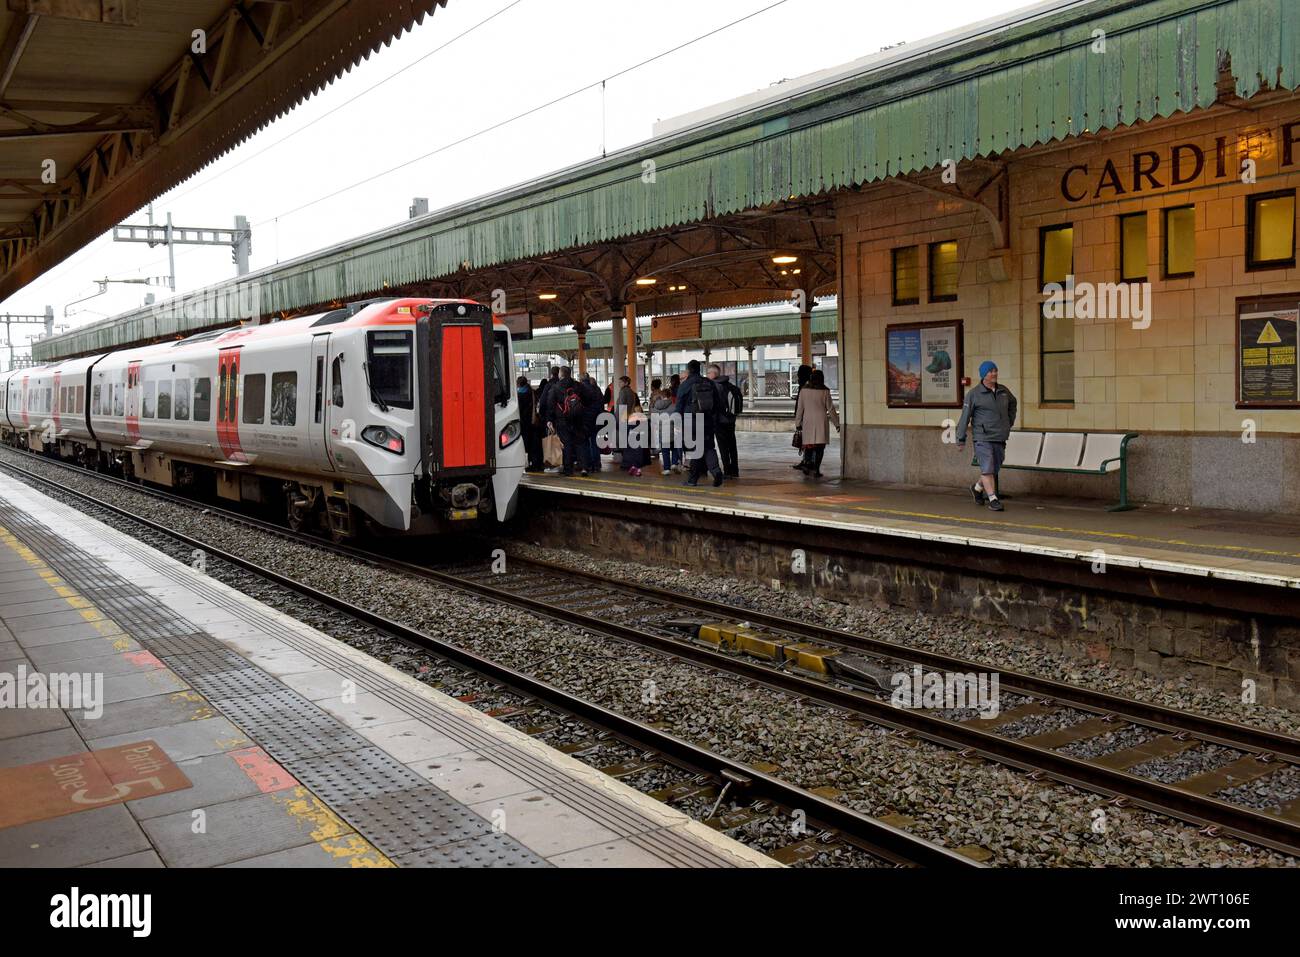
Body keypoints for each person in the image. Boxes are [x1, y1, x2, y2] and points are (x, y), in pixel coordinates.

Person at [956, 360, 1017, 512]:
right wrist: (960, 438)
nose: (994, 373)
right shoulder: (974, 394)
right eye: (991, 371)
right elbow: (965, 417)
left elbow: (1013, 404)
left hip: (999, 436)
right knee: (988, 467)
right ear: (984, 375)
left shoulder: (1003, 391)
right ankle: (993, 499)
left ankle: (977, 488)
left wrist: (1008, 422)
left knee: (994, 467)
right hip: (982, 437)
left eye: (995, 370)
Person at [675, 359, 724, 487]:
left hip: (691, 422)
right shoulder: (708, 382)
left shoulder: (685, 385)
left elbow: (679, 406)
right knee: (708, 448)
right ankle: (716, 471)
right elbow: (718, 404)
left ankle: (692, 480)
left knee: (695, 450)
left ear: (689, 370)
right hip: (707, 421)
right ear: (699, 369)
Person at [794, 369, 839, 478]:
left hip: (808, 421)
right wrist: (837, 423)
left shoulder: (804, 391)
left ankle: (807, 463)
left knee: (809, 445)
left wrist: (798, 423)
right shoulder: (825, 391)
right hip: (821, 421)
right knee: (819, 447)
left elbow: (800, 408)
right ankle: (816, 470)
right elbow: (831, 409)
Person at [707, 363, 743, 478]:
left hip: (720, 421)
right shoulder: (730, 385)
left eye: (708, 373)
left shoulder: (714, 386)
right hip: (731, 420)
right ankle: (735, 470)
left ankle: (727, 471)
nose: (707, 375)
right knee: (732, 445)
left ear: (713, 374)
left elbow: (712, 406)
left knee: (723, 447)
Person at [550, 367, 588, 476]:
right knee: (580, 443)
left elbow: (550, 404)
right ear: (570, 374)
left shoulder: (555, 387)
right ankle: (584, 467)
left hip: (562, 420)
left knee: (567, 445)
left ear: (560, 374)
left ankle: (568, 469)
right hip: (578, 419)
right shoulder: (578, 385)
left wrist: (550, 420)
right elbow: (588, 399)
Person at [651, 387, 681, 474]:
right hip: (673, 430)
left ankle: (667, 468)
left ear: (661, 395)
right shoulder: (674, 406)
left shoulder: (656, 406)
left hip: (662, 431)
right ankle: (674, 463)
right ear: (670, 396)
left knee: (665, 450)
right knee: (675, 447)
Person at [517, 376, 543, 473]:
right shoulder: (532, 392)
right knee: (535, 444)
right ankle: (536, 463)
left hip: (525, 423)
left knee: (526, 445)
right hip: (534, 422)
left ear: (519, 384)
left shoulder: (520, 395)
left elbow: (519, 410)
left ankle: (530, 464)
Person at [791, 364, 813, 470]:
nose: (797, 375)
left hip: (806, 418)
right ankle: (807, 461)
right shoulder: (808, 385)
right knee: (808, 441)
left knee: (808, 441)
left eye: (799, 373)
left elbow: (800, 406)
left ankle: (808, 462)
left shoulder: (805, 387)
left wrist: (798, 420)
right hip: (808, 417)